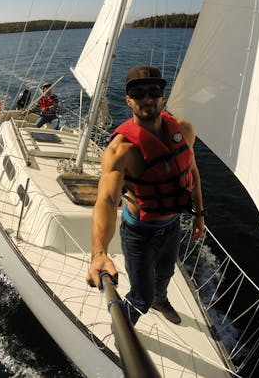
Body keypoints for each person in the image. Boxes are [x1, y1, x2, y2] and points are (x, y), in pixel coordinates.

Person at [86, 65, 206, 325]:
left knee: (164, 275)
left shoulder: (184, 130)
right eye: (138, 93)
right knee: (141, 295)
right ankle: (124, 330)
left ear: (163, 96)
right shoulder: (121, 150)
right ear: (128, 99)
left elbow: (192, 173)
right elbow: (106, 200)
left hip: (172, 227)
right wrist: (99, 253)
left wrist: (199, 216)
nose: (147, 98)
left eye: (154, 91)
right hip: (139, 233)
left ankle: (161, 301)